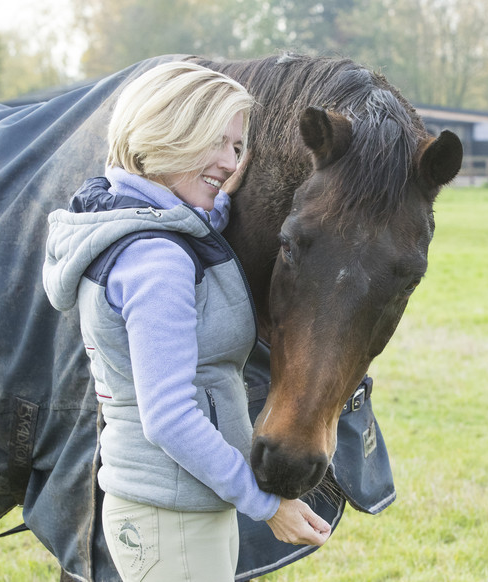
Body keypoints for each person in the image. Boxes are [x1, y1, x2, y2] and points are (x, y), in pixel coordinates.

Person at [43, 61, 330, 582]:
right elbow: (169, 417)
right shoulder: (159, 262)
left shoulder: (135, 228)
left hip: (173, 505)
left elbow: (187, 228)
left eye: (238, 147)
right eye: (215, 142)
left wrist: (214, 194)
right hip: (170, 518)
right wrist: (266, 504)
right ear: (165, 135)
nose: (230, 161)